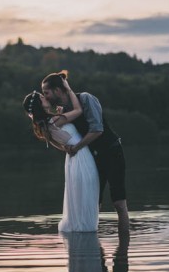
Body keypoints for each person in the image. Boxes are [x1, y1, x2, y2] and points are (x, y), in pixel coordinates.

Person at [41, 71, 130, 244]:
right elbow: (53, 136)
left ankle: (123, 252)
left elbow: (97, 129)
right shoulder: (66, 111)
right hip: (93, 159)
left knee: (119, 203)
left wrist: (76, 148)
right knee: (93, 204)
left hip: (112, 153)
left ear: (58, 90)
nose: (45, 96)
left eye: (46, 92)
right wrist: (65, 147)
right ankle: (97, 263)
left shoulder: (86, 99)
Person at [22, 76, 99, 232]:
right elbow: (78, 110)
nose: (46, 98)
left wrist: (65, 148)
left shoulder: (46, 126)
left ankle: (81, 233)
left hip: (72, 161)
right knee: (86, 197)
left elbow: (55, 142)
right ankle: (87, 232)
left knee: (78, 199)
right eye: (43, 97)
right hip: (82, 156)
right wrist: (68, 88)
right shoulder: (56, 120)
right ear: (39, 104)